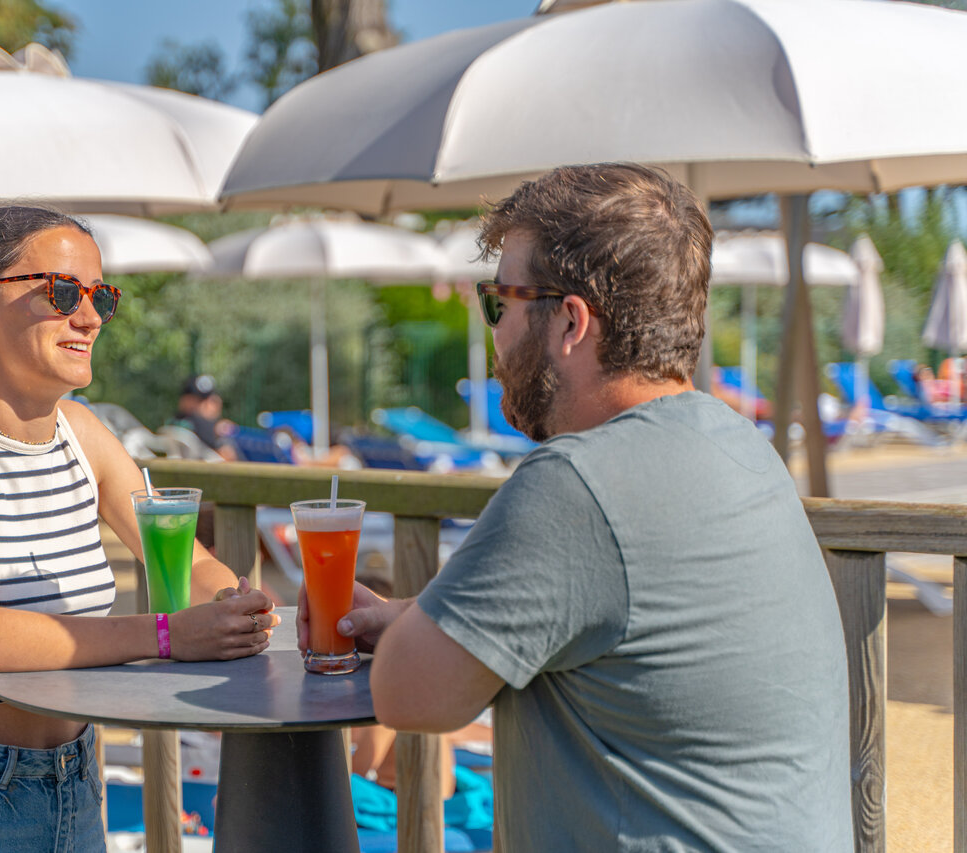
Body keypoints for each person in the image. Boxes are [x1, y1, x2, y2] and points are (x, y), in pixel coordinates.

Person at [301, 164, 852, 850]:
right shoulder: (739, 449)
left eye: (500, 300)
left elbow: (409, 696)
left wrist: (411, 629)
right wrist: (409, 614)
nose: (495, 335)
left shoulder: (574, 483)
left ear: (569, 321)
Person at [0, 206, 276, 852]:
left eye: (100, 297)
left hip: (77, 789)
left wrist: (234, 603)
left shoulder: (81, 435)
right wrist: (166, 635)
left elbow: (181, 559)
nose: (88, 318)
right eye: (61, 292)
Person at [169, 374, 237, 460]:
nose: (208, 405)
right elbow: (227, 456)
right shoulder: (198, 424)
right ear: (186, 399)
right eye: (199, 401)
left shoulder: (173, 422)